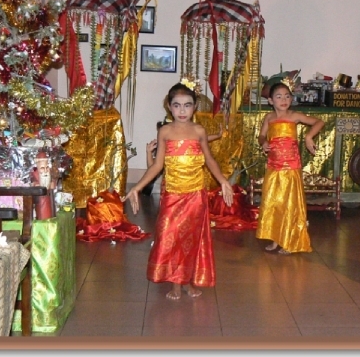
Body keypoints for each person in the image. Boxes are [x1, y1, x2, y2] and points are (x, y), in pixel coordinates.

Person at [122, 80, 233, 300]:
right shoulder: (165, 131)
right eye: (177, 105)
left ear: (194, 107)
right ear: (169, 107)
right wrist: (137, 187)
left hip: (195, 195)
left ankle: (189, 280)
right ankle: (175, 281)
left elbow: (209, 160)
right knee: (171, 237)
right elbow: (157, 165)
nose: (182, 110)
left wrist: (223, 181)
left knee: (192, 238)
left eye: (187, 105)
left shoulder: (199, 131)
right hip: (172, 194)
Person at [255, 79, 325, 255]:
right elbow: (261, 136)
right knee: (273, 203)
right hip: (273, 167)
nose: (283, 99)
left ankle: (290, 241)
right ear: (271, 101)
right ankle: (275, 238)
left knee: (289, 205)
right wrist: (263, 143)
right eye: (278, 96)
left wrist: (309, 137)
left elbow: (319, 122)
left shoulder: (294, 116)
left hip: (291, 167)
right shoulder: (269, 118)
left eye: (287, 96)